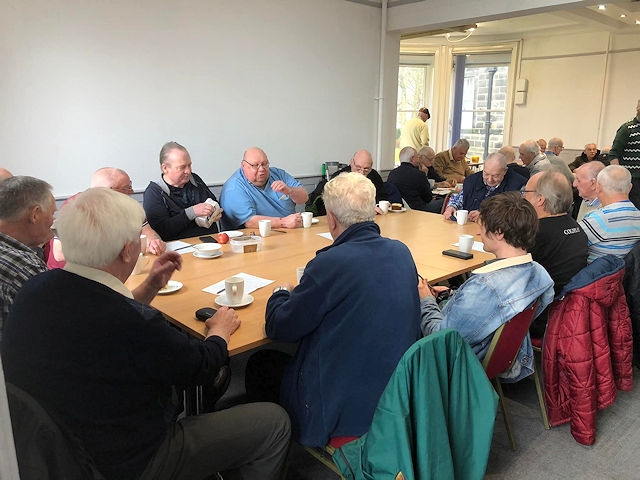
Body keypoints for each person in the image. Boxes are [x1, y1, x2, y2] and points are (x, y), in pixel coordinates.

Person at [1, 187, 291, 480]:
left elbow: (103, 313)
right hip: (130, 461)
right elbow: (201, 368)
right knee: (274, 422)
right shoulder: (133, 322)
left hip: (51, 451)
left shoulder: (36, 289)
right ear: (128, 250)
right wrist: (219, 332)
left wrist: (151, 283)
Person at [246, 172, 421, 447]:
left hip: (344, 405)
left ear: (331, 218)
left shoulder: (330, 264)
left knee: (260, 364)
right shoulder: (401, 252)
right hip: (397, 389)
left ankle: (274, 450)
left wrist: (280, 294)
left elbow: (281, 327)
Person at [420, 192, 554, 382]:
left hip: (463, 363)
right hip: (503, 358)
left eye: (481, 227)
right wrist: (454, 295)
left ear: (499, 232)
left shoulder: (484, 287)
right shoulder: (539, 273)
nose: (477, 233)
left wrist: (426, 300)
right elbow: (494, 311)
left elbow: (441, 341)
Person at [49, 167, 166, 269]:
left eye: (130, 185)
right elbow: (59, 253)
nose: (132, 192)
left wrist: (154, 242)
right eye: (127, 188)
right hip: (72, 276)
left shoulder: (128, 206)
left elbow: (147, 231)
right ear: (108, 192)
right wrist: (119, 250)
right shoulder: (76, 207)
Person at [521, 171, 588, 336]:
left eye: (526, 192)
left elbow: (512, 280)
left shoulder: (536, 234)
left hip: (541, 317)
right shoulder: (577, 228)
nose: (522, 197)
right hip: (569, 312)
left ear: (540, 199)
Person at [0, 176, 55, 339]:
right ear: (35, 214)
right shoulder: (23, 265)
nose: (53, 221)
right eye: (52, 213)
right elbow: (58, 321)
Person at [143, 141, 223, 241]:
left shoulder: (195, 179)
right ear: (165, 168)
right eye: (182, 167)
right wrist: (191, 212)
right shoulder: (154, 192)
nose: (188, 171)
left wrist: (215, 211)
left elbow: (213, 200)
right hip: (178, 249)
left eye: (189, 165)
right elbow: (161, 230)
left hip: (210, 242)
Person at [220, 147, 308, 230]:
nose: (261, 169)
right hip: (255, 237)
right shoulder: (234, 187)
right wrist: (283, 222)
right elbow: (250, 222)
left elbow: (304, 198)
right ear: (243, 166)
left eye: (264, 164)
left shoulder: (278, 174)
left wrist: (290, 191)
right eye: (255, 165)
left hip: (291, 232)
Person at [442, 151, 527, 222]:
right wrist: (451, 207)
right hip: (468, 229)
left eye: (495, 176)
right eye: (486, 174)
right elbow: (461, 198)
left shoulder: (518, 185)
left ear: (505, 171)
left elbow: (516, 214)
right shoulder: (472, 180)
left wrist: (486, 216)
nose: (490, 179)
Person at [580, 165, 640, 262]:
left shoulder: (596, 220)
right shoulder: (638, 217)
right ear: (630, 187)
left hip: (596, 275)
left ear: (598, 187)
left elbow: (570, 248)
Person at [387, 146, 444, 213]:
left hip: (399, 208)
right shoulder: (419, 174)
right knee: (446, 201)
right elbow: (428, 198)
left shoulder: (392, 173)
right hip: (419, 209)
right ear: (412, 159)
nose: (419, 159)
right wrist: (425, 175)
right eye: (417, 157)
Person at [608, 99, 640, 209]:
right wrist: (619, 178)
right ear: (638, 109)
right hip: (632, 180)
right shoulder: (627, 129)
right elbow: (613, 154)